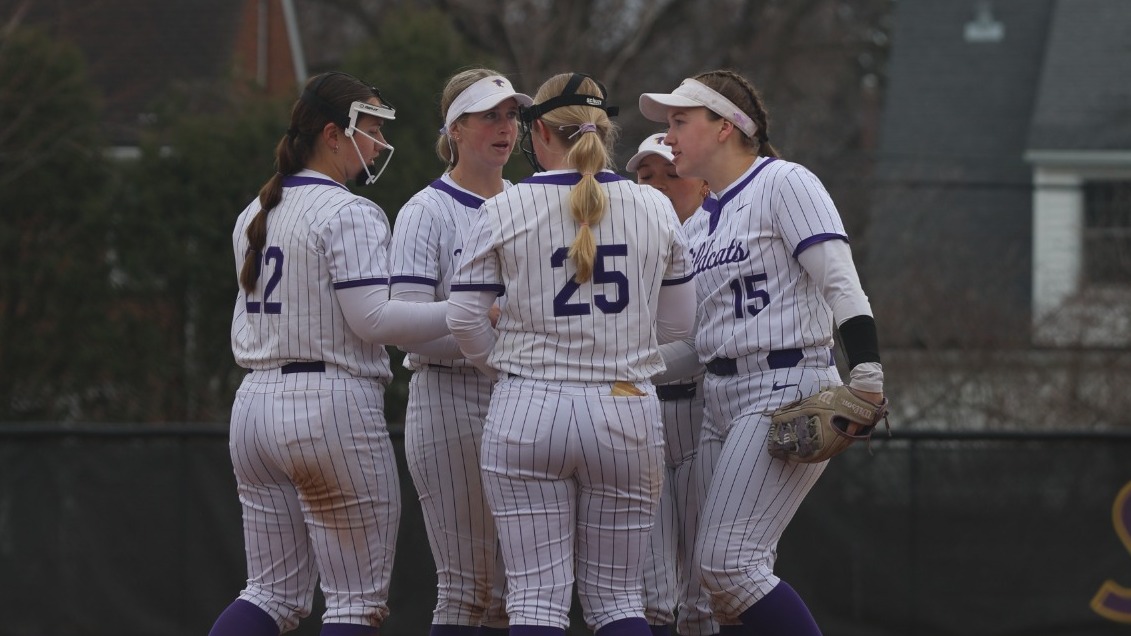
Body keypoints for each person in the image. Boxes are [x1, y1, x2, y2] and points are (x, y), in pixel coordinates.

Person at [444, 72, 697, 636]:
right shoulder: (654, 207)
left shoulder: (505, 207)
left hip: (529, 407)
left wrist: (505, 368)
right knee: (617, 602)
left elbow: (463, 317)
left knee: (536, 602)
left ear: (540, 136)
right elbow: (679, 327)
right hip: (625, 407)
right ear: (604, 134)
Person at [637, 70, 886, 636]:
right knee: (718, 583)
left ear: (725, 127)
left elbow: (841, 282)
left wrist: (866, 369)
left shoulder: (786, 182)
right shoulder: (699, 223)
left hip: (784, 383)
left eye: (681, 120)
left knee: (730, 564)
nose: (670, 134)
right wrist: (623, 369)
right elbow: (698, 349)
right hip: (719, 399)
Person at [210, 71, 454, 636]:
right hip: (329, 406)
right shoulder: (349, 211)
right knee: (354, 604)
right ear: (332, 132)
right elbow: (374, 321)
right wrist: (466, 310)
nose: (378, 141)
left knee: (268, 594)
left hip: (254, 407)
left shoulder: (255, 210)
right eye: (369, 127)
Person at [388, 68, 533, 636]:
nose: (505, 127)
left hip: (525, 396)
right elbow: (403, 323)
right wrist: (480, 316)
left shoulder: (529, 202)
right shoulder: (425, 210)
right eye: (488, 116)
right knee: (468, 588)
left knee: (521, 589)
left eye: (512, 115)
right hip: (451, 395)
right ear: (454, 129)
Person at [625, 135, 718, 636]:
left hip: (707, 413)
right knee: (652, 597)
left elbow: (705, 345)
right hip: (645, 414)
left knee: (706, 595)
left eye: (670, 173)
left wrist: (621, 366)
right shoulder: (626, 239)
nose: (658, 185)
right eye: (646, 175)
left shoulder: (717, 236)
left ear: (703, 183)